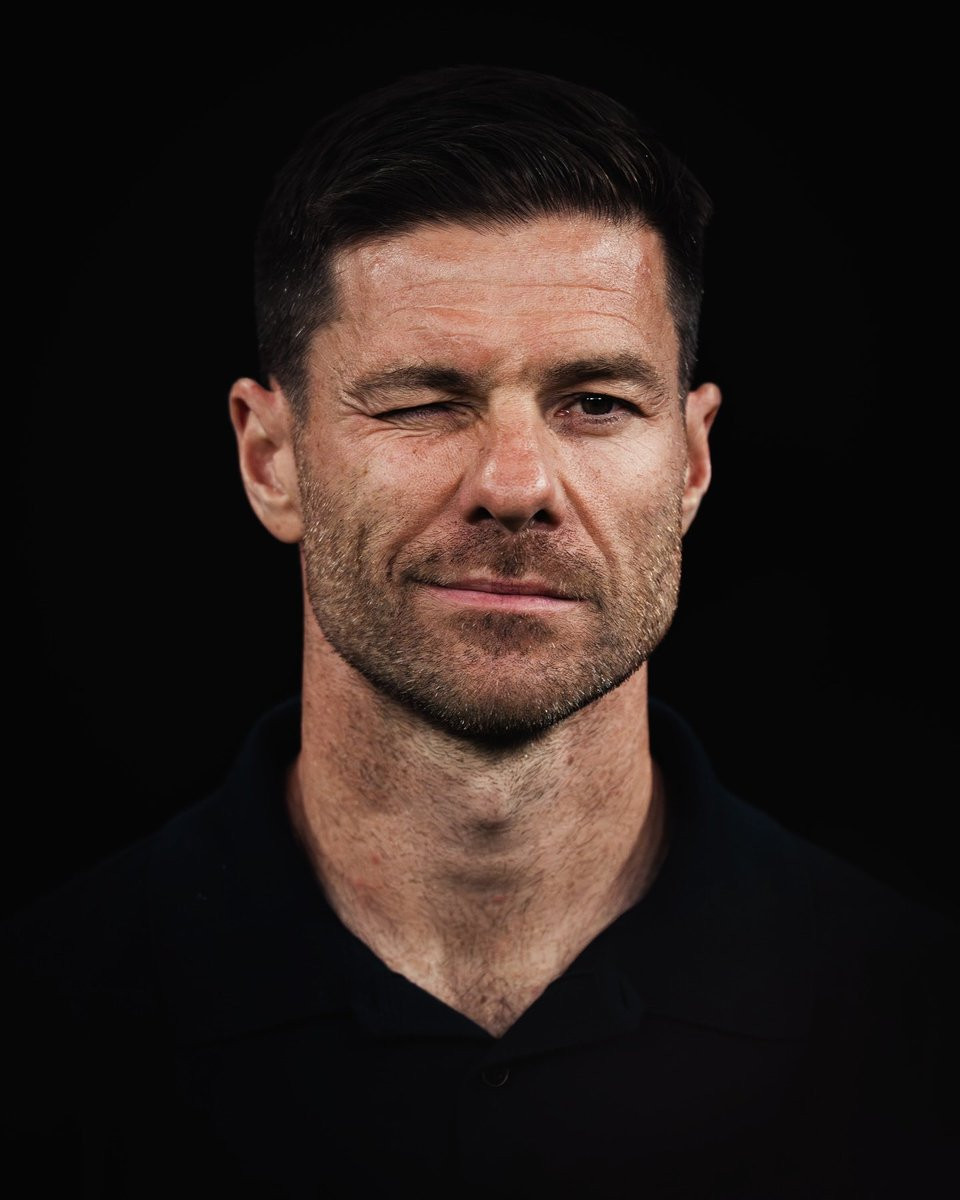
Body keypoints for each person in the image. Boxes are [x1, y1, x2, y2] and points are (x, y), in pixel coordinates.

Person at [4, 64, 954, 1199]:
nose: (515, 485)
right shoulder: (40, 1033)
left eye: (597, 403)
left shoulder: (918, 1033)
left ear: (693, 464)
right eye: (422, 402)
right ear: (270, 460)